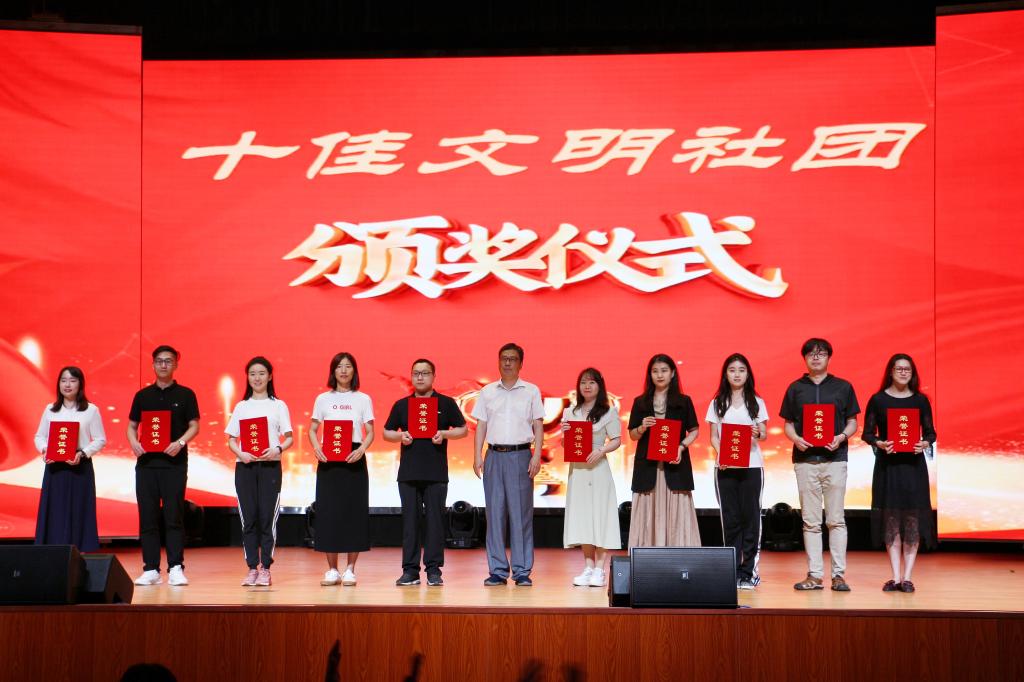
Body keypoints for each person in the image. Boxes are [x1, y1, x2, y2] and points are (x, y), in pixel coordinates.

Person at [780, 337, 860, 592]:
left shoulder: (843, 387)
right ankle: (814, 575)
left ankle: (838, 576)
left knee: (836, 520)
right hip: (805, 461)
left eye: (821, 353)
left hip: (835, 460)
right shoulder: (795, 388)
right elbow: (788, 424)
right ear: (805, 358)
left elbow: (852, 422)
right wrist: (795, 439)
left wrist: (841, 437)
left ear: (828, 357)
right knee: (811, 522)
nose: (816, 357)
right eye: (811, 354)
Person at [382, 359, 468, 587]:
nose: (420, 377)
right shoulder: (402, 405)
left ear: (433, 376)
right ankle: (410, 571)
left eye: (425, 373)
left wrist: (444, 434)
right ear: (411, 376)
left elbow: (463, 429)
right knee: (410, 524)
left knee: (435, 523)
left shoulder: (446, 403)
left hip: (436, 473)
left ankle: (433, 570)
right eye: (416, 373)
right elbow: (386, 432)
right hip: (408, 474)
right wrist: (401, 436)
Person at [861, 353, 936, 593]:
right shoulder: (878, 400)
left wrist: (925, 443)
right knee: (891, 521)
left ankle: (907, 577)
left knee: (912, 520)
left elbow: (931, 432)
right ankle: (894, 577)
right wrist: (880, 443)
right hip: (888, 467)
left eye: (907, 369)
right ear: (891, 372)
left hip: (913, 468)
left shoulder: (920, 400)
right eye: (899, 369)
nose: (903, 372)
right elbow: (867, 433)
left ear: (912, 373)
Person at [472, 342, 545, 587]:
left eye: (512, 359)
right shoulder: (487, 391)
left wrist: (536, 455)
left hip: (521, 456)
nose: (507, 363)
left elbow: (538, 425)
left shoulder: (531, 391)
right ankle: (497, 570)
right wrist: (477, 455)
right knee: (494, 514)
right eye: (504, 358)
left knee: (521, 515)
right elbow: (481, 425)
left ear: (521, 363)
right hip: (494, 456)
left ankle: (522, 571)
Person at [127, 345, 200, 586]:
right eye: (159, 361)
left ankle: (176, 567)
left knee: (173, 516)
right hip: (146, 465)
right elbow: (132, 426)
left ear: (176, 364)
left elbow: (194, 426)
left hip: (174, 464)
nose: (163, 365)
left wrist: (180, 442)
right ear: (153, 364)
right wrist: (134, 443)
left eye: (168, 361)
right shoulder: (142, 396)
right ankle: (151, 569)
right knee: (147, 517)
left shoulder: (186, 394)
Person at [225, 356, 293, 587]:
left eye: (262, 373)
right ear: (247, 377)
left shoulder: (278, 405)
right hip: (245, 467)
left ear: (270, 376)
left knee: (267, 518)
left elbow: (289, 438)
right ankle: (252, 568)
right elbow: (231, 439)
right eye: (252, 374)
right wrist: (241, 453)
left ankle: (265, 568)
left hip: (270, 467)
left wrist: (277, 449)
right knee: (249, 519)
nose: (257, 378)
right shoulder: (241, 406)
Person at [308, 352, 374, 586]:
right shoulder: (323, 399)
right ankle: (332, 570)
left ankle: (350, 569)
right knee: (329, 512)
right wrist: (317, 448)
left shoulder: (363, 399)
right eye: (339, 367)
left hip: (354, 458)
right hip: (329, 458)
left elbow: (370, 431)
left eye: (348, 366)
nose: (344, 371)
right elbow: (312, 429)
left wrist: (362, 449)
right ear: (333, 371)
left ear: (354, 371)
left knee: (354, 512)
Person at [705, 353, 769, 589]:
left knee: (751, 520)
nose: (737, 374)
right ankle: (732, 571)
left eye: (741, 370)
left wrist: (757, 433)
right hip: (725, 467)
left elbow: (764, 433)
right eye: (732, 370)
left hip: (752, 466)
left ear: (748, 374)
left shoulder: (757, 402)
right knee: (730, 520)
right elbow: (714, 437)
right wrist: (721, 454)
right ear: (725, 374)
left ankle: (749, 572)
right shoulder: (717, 403)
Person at [627, 353, 700, 548]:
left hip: (675, 466)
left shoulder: (684, 401)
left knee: (677, 508)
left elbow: (694, 431)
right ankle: (646, 554)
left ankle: (679, 554)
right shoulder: (640, 402)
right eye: (655, 371)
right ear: (650, 374)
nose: (659, 375)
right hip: (648, 467)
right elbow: (632, 435)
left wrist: (681, 447)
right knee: (648, 510)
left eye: (664, 371)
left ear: (673, 373)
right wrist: (642, 427)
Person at [33, 366, 107, 551]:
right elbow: (39, 436)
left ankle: (80, 553)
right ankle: (53, 552)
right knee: (55, 510)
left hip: (80, 466)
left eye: (73, 380)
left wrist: (82, 453)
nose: (67, 385)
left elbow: (100, 439)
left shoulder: (91, 410)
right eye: (63, 380)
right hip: (55, 468)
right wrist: (45, 450)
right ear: (59, 384)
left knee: (79, 510)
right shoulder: (50, 409)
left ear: (80, 384)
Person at [561, 367, 621, 587]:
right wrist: (565, 434)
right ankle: (588, 566)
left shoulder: (608, 412)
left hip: (598, 469)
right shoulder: (570, 412)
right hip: (578, 470)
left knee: (600, 516)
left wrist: (601, 450)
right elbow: (566, 444)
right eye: (583, 382)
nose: (587, 386)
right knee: (583, 516)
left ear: (599, 386)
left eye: (592, 382)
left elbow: (617, 439)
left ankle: (600, 569)